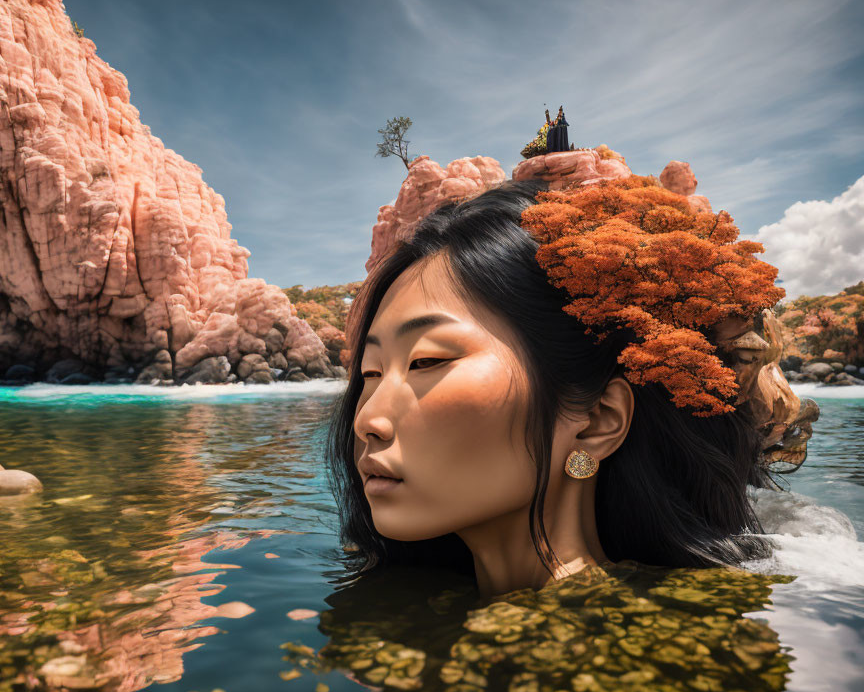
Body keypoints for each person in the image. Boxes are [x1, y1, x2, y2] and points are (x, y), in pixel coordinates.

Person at [324, 177, 790, 595]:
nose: (367, 419)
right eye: (370, 373)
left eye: (426, 360)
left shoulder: (632, 663)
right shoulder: (413, 611)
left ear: (596, 421)